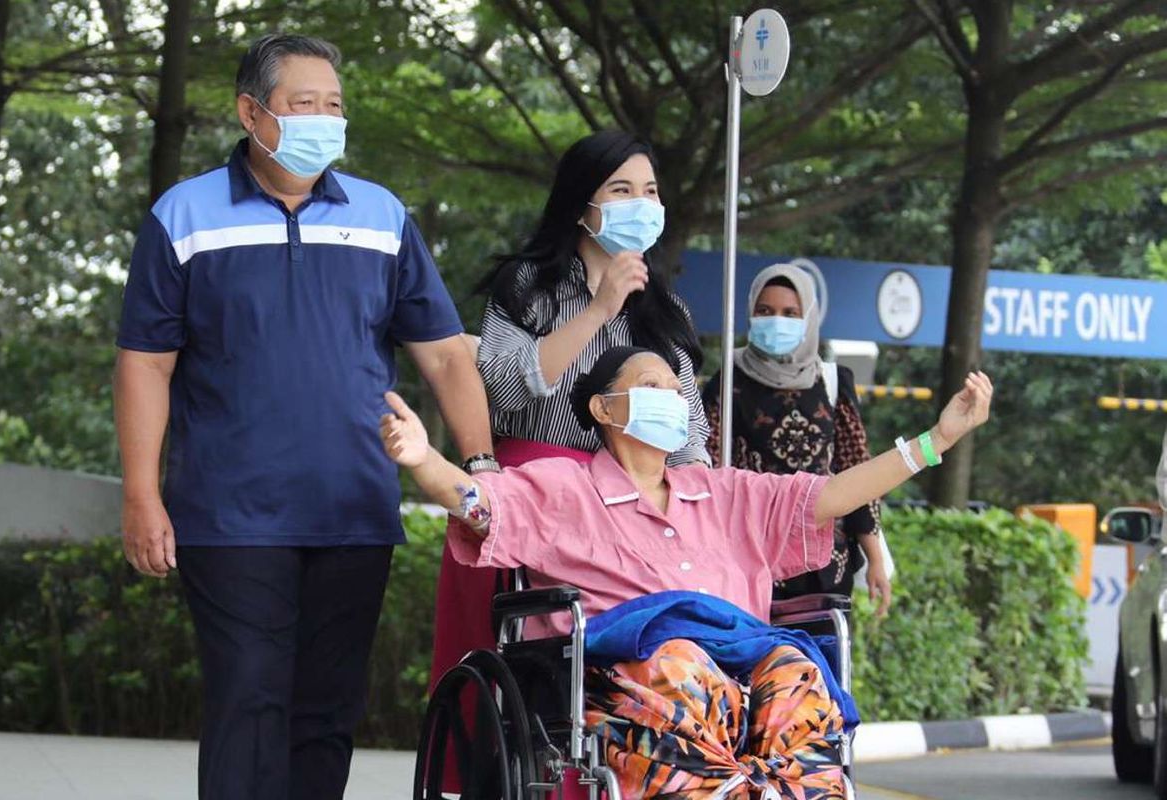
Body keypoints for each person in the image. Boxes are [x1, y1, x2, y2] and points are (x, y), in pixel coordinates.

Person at [113, 34, 493, 800]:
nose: (325, 119)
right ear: (251, 111)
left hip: (352, 508)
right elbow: (145, 363)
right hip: (228, 514)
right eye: (304, 104)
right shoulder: (184, 214)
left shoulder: (382, 218)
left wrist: (482, 470)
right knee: (248, 696)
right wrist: (142, 493)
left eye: (335, 105)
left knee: (326, 713)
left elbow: (448, 356)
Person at [383, 345, 993, 798]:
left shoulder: (725, 493)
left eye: (678, 389)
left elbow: (834, 495)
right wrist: (425, 460)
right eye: (653, 384)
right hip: (624, 680)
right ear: (603, 406)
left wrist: (936, 439)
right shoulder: (564, 488)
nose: (672, 398)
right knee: (682, 663)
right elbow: (481, 506)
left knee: (797, 671)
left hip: (736, 672)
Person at [429, 131, 711, 690]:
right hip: (530, 497)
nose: (642, 205)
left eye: (650, 192)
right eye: (621, 190)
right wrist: (600, 308)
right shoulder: (528, 286)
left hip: (631, 508)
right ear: (581, 204)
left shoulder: (665, 310)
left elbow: (688, 436)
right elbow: (503, 390)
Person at [703, 262, 893, 617]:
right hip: (751, 560)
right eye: (765, 311)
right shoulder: (729, 378)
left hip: (825, 566)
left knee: (823, 666)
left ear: (808, 318)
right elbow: (705, 466)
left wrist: (876, 558)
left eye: (790, 313)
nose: (777, 321)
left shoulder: (833, 382)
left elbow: (857, 472)